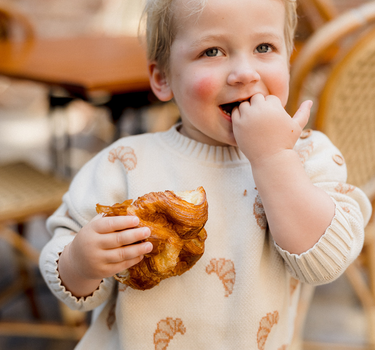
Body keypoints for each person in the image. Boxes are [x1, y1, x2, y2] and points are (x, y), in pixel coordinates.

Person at [39, 0, 372, 348]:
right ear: (162, 78)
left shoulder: (308, 158)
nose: (244, 73)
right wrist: (81, 262)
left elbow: (323, 264)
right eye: (212, 51)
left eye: (264, 47)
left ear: (287, 60)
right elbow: (68, 270)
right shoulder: (124, 163)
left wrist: (273, 158)